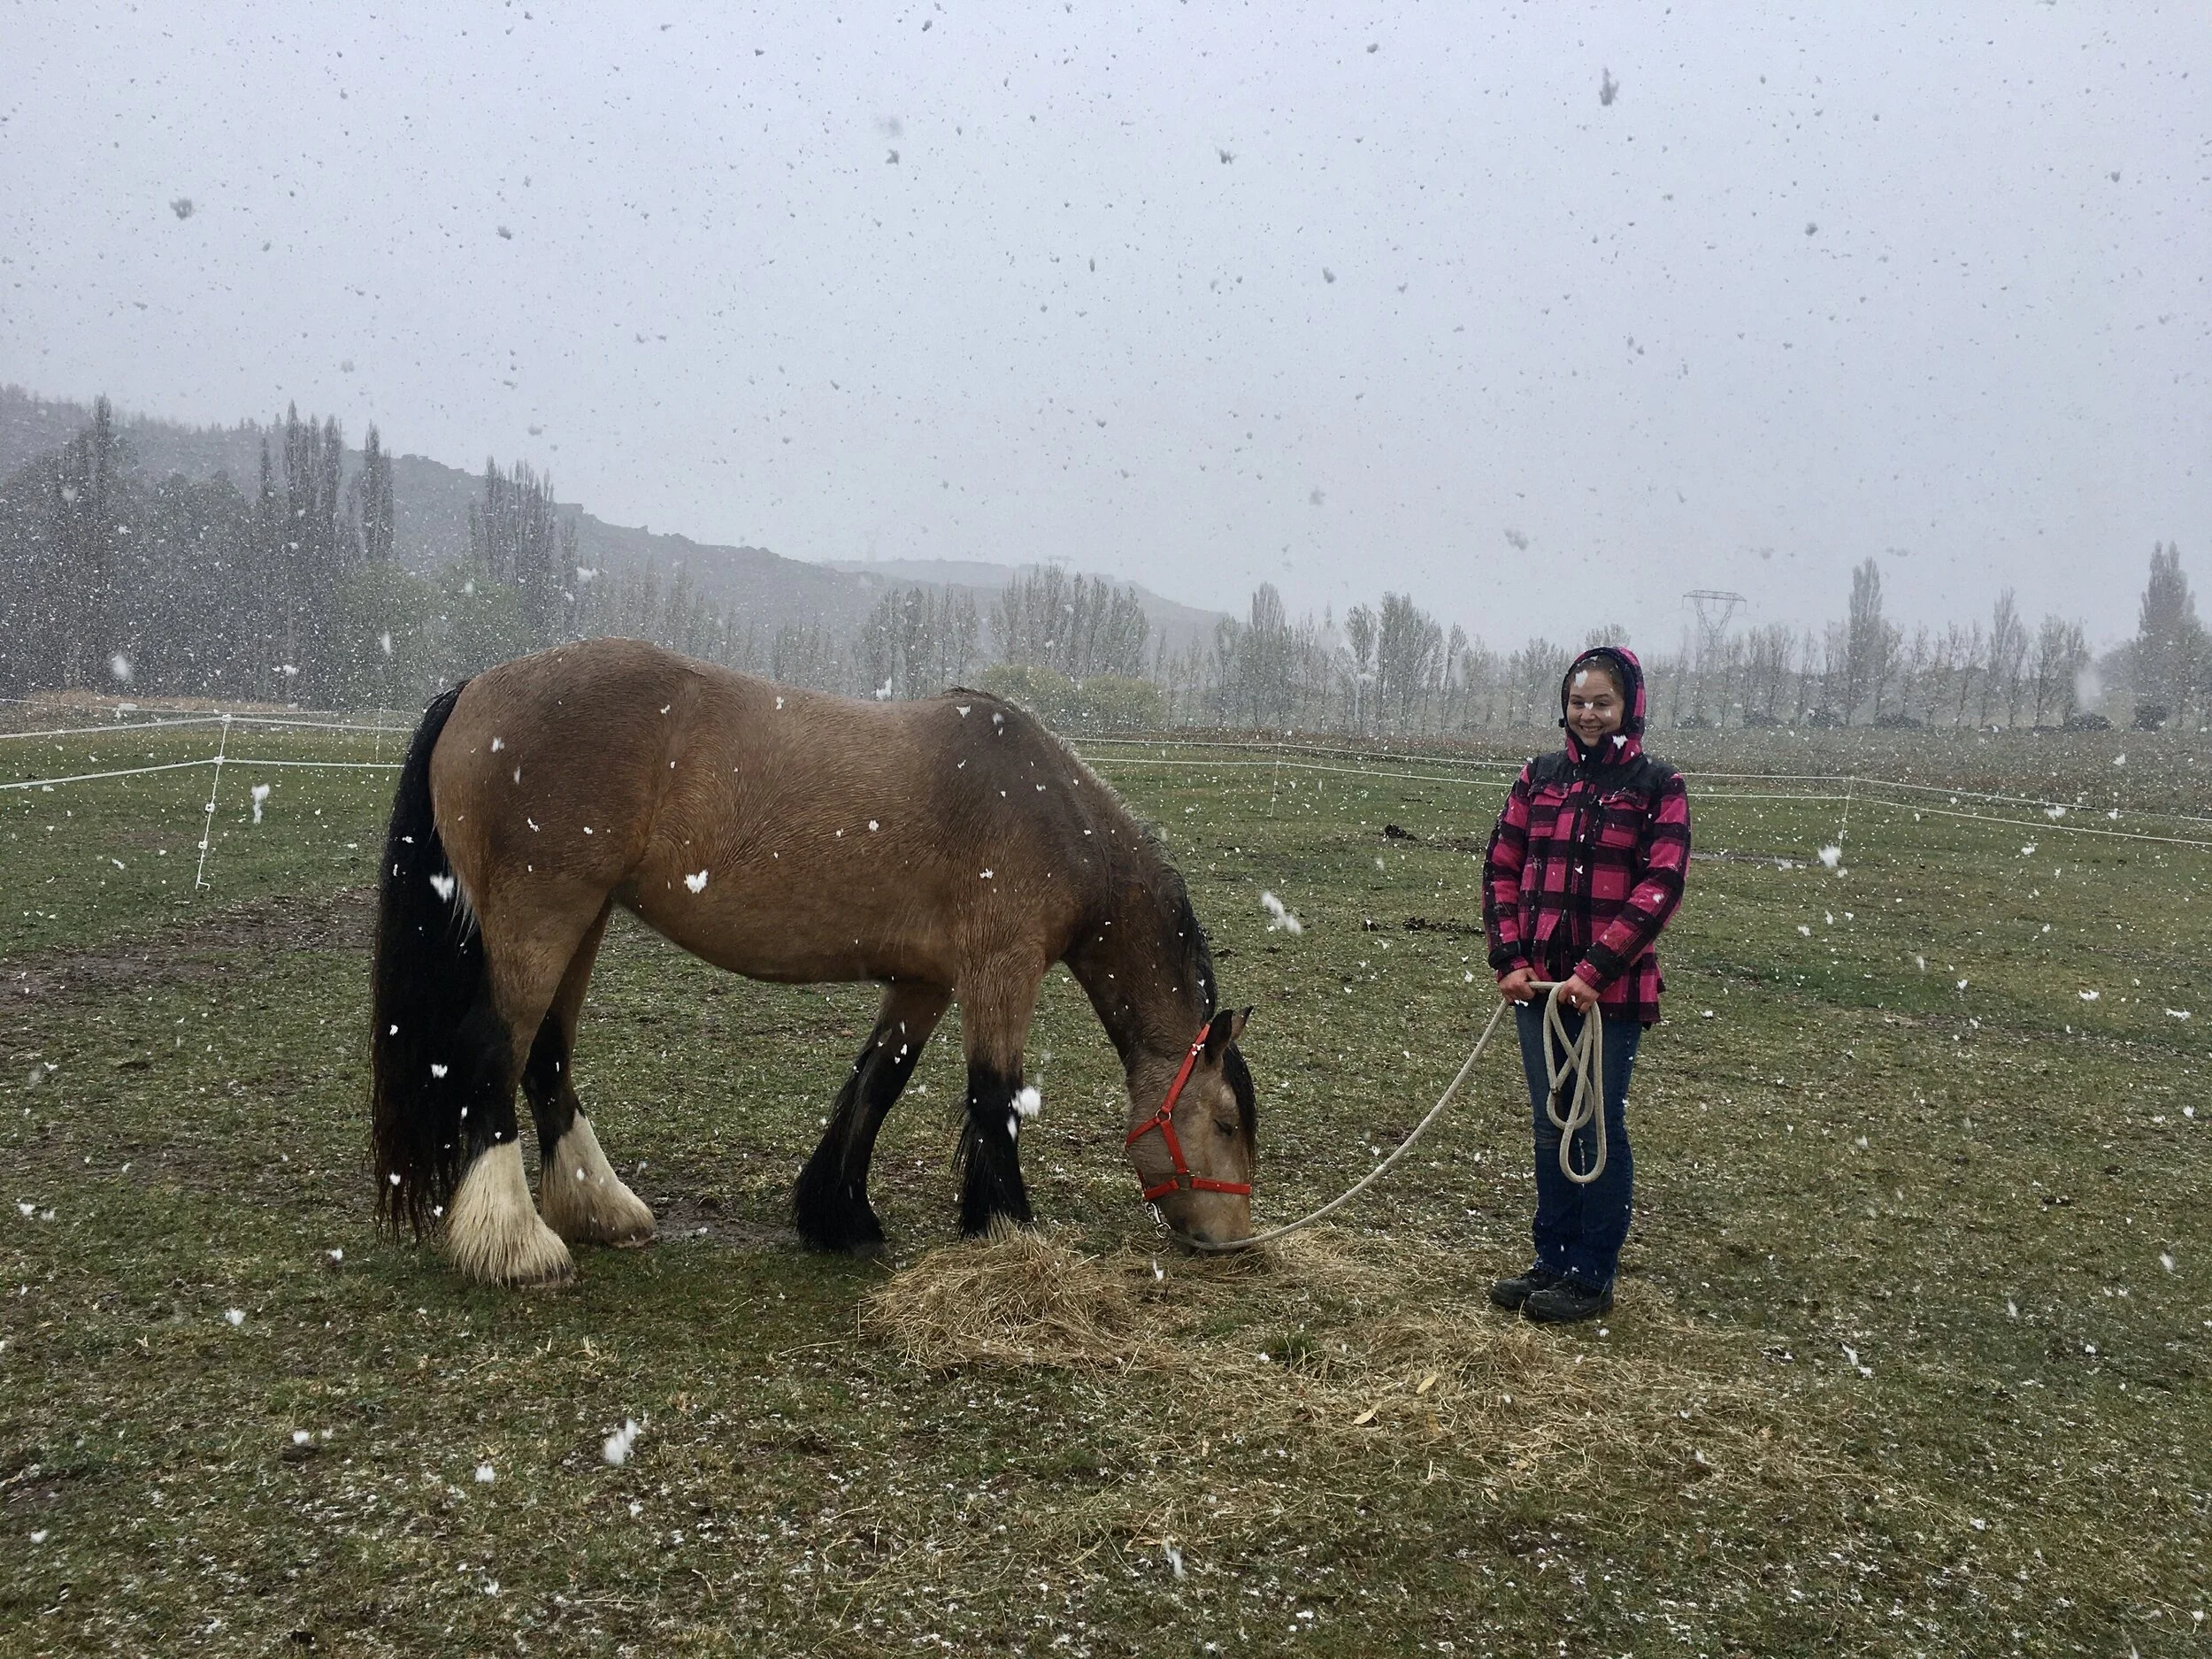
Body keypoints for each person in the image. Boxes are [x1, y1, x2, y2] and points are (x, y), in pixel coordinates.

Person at [1480, 645, 1691, 1324]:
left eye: (1602, 702)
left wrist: (1596, 970)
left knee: (1595, 1125)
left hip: (1611, 996)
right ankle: (1552, 1256)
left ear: (1628, 704)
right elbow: (1501, 866)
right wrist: (1509, 958)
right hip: (1538, 989)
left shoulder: (1659, 785)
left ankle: (1592, 1272)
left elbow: (1661, 886)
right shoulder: (1538, 778)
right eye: (1578, 702)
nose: (1588, 714)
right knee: (1551, 1124)